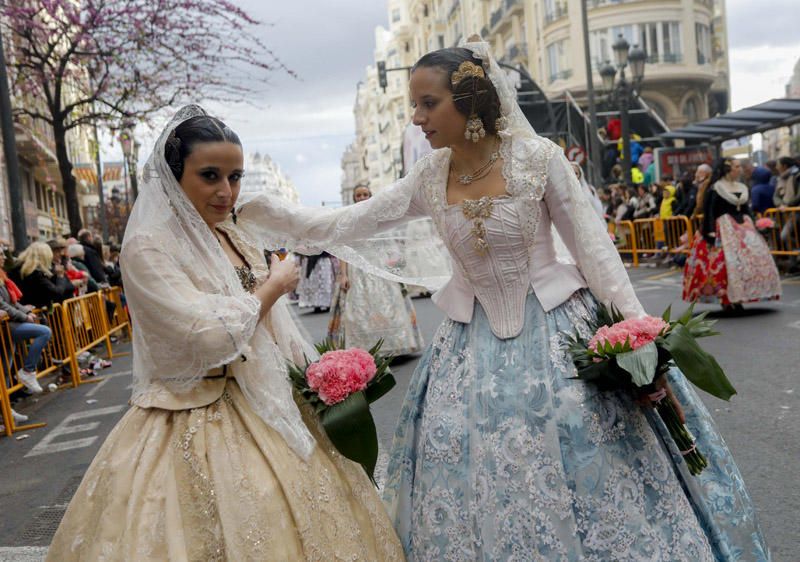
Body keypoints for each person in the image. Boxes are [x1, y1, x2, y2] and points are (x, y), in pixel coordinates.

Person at [237, 40, 770, 561]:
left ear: (468, 101)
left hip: (560, 330)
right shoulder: (428, 174)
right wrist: (260, 210)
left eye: (428, 103)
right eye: (413, 106)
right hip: (468, 349)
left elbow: (596, 254)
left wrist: (639, 343)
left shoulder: (538, 159)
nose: (418, 118)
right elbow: (345, 223)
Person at [46, 108, 404, 560]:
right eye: (210, 175)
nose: (225, 191)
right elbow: (204, 337)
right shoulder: (149, 246)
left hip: (271, 400)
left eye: (235, 176)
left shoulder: (235, 232)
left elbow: (274, 326)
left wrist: (317, 374)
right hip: (192, 413)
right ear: (174, 175)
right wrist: (273, 287)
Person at [328, 185, 425, 355]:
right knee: (358, 310)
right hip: (357, 269)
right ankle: (362, 349)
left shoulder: (379, 216)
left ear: (370, 195)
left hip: (379, 267)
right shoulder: (349, 218)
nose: (362, 197)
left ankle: (394, 344)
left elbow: (387, 244)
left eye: (365, 194)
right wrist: (343, 274)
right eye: (358, 195)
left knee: (390, 306)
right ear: (354, 198)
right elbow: (344, 248)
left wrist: (395, 266)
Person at [683, 157, 781, 310]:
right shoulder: (715, 188)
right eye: (736, 166)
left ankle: (742, 296)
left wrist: (756, 224)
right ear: (727, 169)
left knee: (746, 263)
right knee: (723, 265)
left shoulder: (742, 187)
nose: (739, 169)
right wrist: (709, 232)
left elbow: (746, 210)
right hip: (722, 229)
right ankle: (726, 299)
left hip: (742, 227)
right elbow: (710, 212)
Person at [0, 267, 51, 395]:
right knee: (44, 332)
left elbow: (13, 303)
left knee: (6, 370)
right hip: (7, 326)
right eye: (1, 254)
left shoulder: (2, 276)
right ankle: (27, 371)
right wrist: (24, 316)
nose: (3, 257)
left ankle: (6, 410)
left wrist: (27, 311)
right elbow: (3, 305)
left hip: (9, 325)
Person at [10, 242, 75, 308]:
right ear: (45, 257)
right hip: (31, 311)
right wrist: (60, 276)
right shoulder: (36, 273)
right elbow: (56, 292)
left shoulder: (16, 268)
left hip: (23, 308)